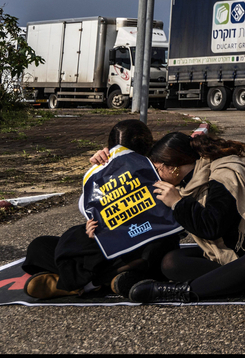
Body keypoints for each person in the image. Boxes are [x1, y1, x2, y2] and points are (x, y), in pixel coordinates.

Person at [21, 120, 178, 299]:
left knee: (160, 248)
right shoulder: (105, 167)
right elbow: (88, 209)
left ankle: (83, 283)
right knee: (40, 246)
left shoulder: (159, 167)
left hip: (141, 241)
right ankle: (110, 280)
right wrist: (99, 171)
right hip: (109, 243)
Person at [127, 131, 245, 303]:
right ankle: (243, 282)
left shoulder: (224, 176)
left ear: (172, 168)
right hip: (227, 252)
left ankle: (182, 292)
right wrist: (110, 161)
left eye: (158, 169)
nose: (157, 175)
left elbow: (211, 228)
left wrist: (178, 204)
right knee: (171, 262)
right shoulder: (187, 183)